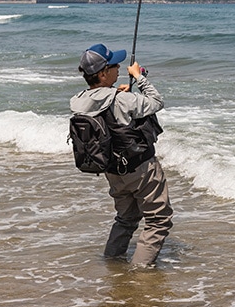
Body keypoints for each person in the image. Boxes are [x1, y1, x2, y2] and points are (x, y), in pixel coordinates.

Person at [70, 43, 173, 267]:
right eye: (115, 65)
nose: (119, 69)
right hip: (140, 169)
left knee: (126, 218)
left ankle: (113, 263)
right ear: (103, 73)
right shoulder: (121, 99)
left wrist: (116, 92)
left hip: (112, 169)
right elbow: (156, 102)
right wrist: (140, 78)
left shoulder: (79, 101)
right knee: (158, 220)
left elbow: (104, 107)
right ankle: (139, 273)